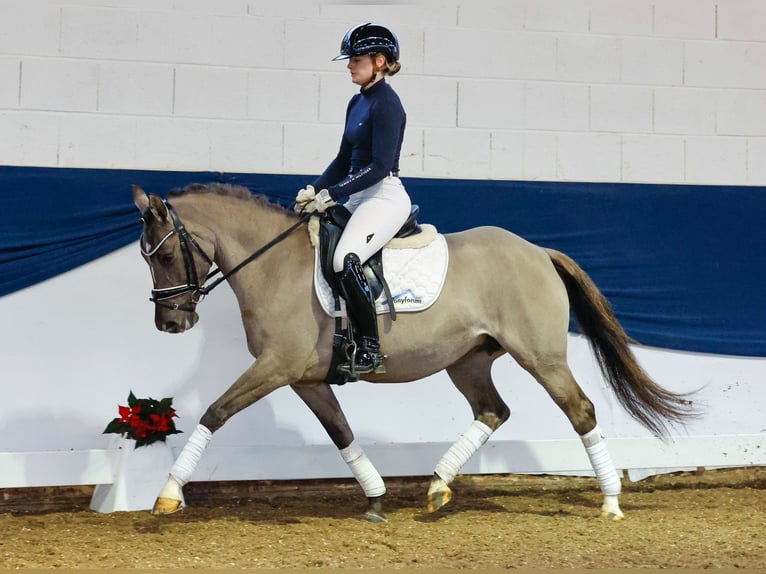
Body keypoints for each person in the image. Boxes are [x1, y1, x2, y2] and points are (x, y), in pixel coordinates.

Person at [295, 22, 411, 376]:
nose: (349, 65)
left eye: (356, 59)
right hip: (355, 194)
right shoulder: (355, 102)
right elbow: (344, 160)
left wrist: (332, 194)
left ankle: (370, 348)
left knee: (345, 259)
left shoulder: (388, 105)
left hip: (383, 195)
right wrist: (313, 189)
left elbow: (378, 166)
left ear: (379, 61)